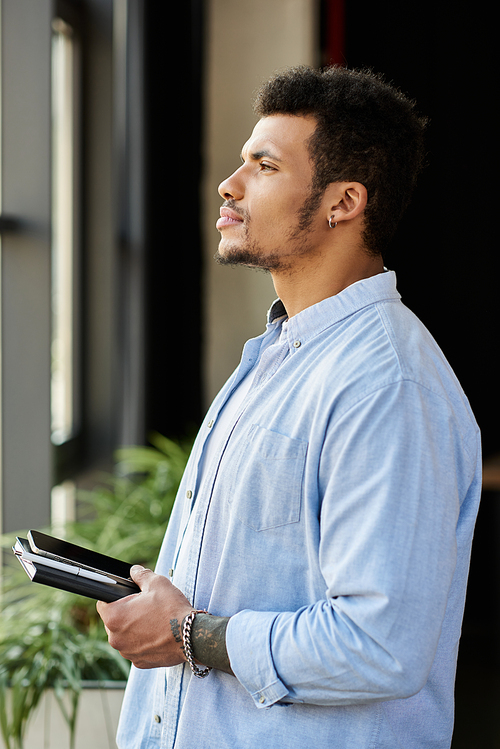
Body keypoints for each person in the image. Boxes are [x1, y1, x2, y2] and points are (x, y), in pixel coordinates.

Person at [97, 65, 482, 749]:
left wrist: (187, 633)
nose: (230, 183)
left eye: (263, 165)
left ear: (343, 202)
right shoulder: (277, 357)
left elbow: (379, 642)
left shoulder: (387, 385)